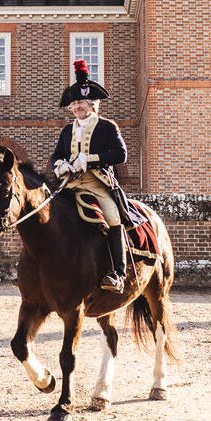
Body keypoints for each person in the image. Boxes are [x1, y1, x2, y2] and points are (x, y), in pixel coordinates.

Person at [49, 59, 131, 293]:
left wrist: (91, 159)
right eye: (74, 104)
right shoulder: (67, 130)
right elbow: (56, 156)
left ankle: (118, 273)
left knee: (113, 219)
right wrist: (60, 165)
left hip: (97, 184)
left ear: (92, 104)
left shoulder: (108, 127)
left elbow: (120, 154)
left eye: (81, 102)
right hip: (70, 185)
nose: (77, 107)